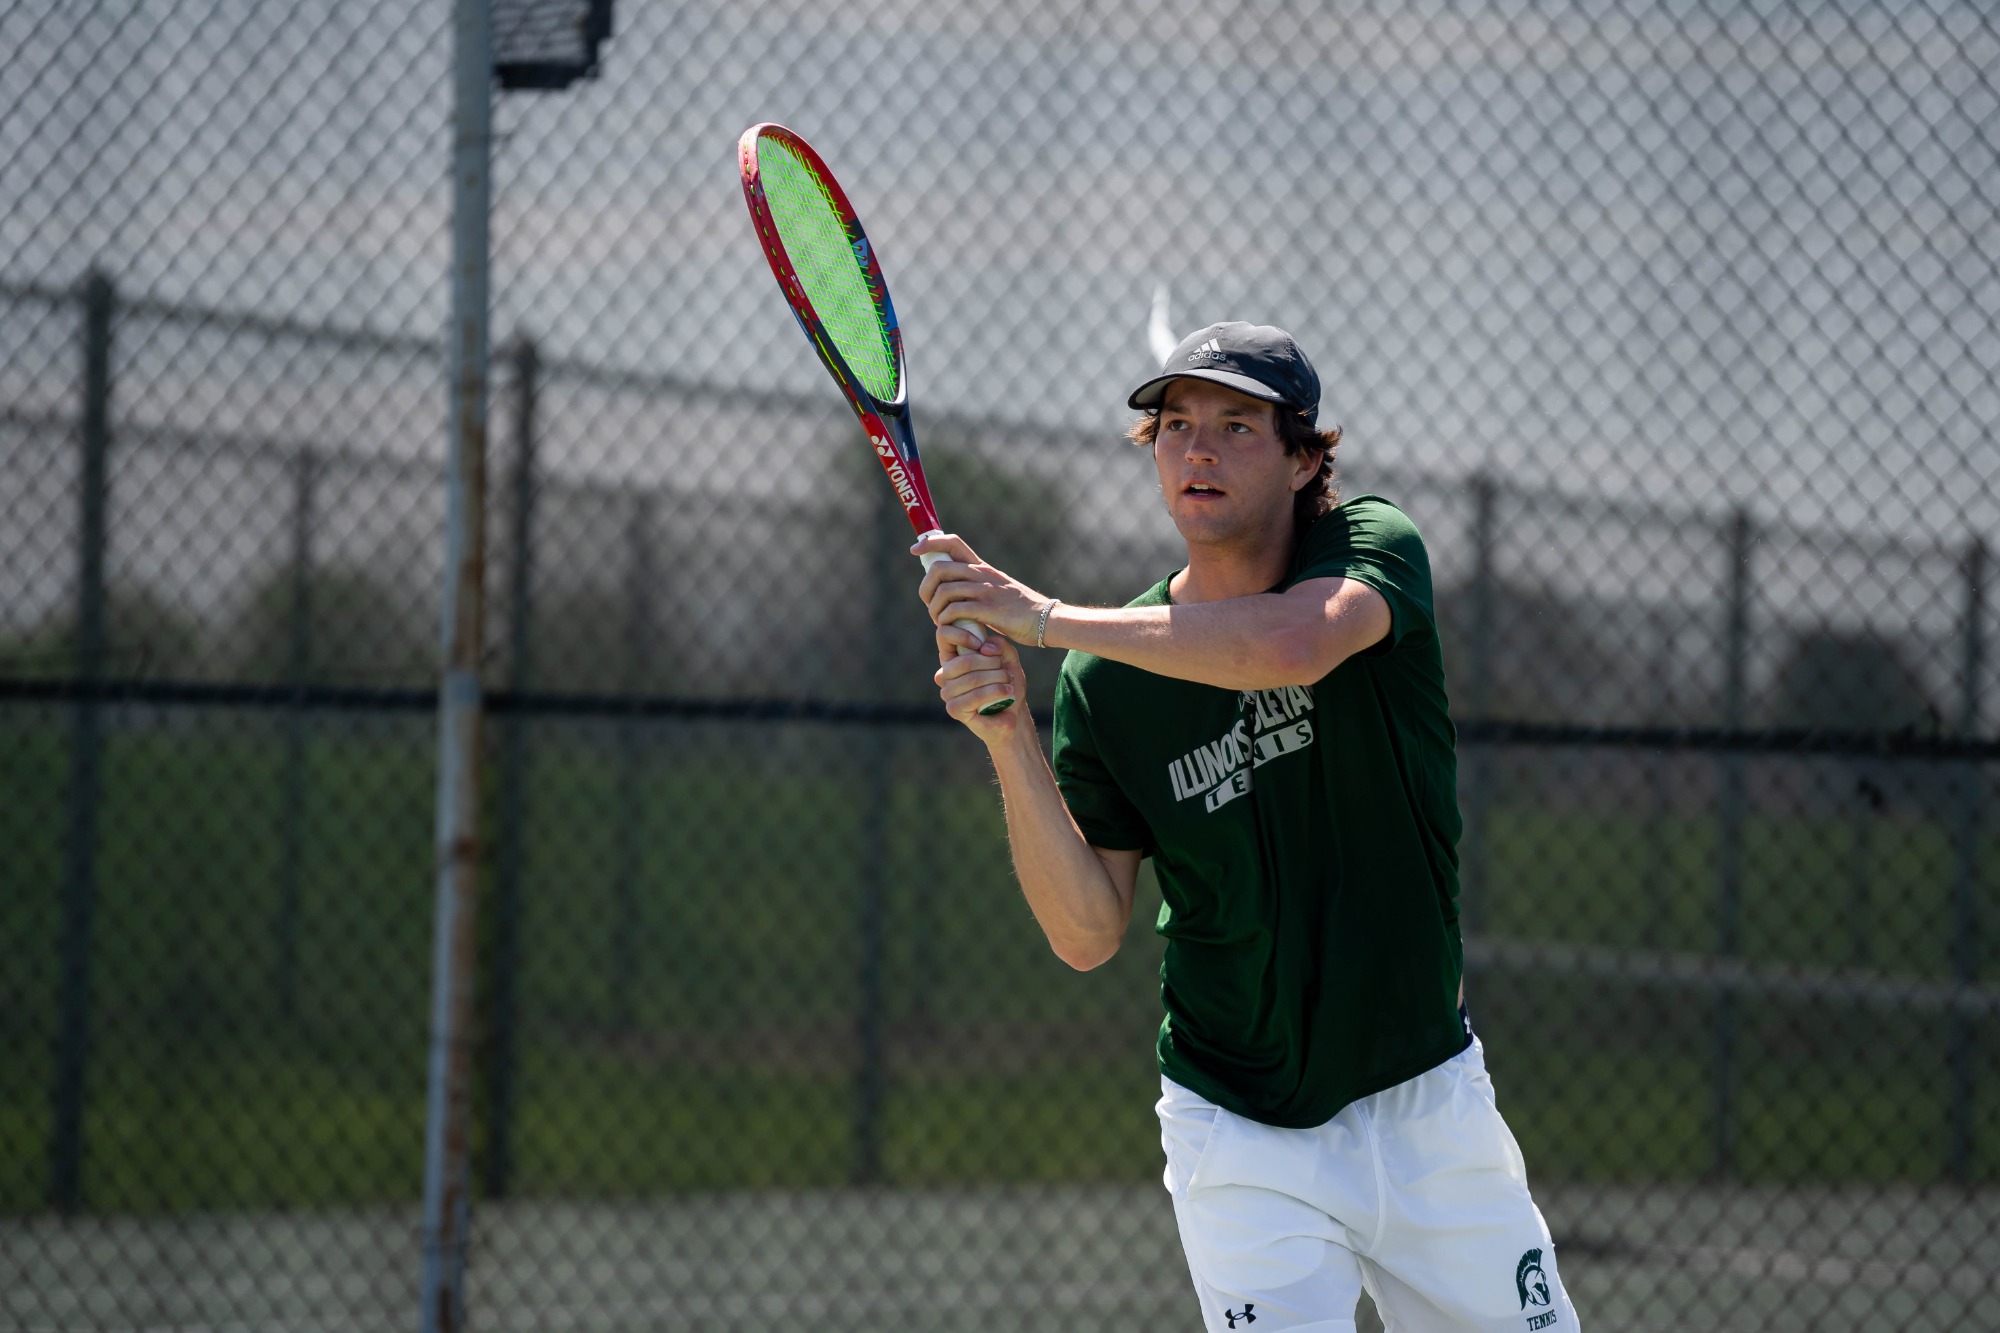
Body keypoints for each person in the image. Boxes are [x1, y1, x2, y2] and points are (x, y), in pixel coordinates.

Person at [913, 322, 1580, 1333]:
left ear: (1305, 457)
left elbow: (1292, 642)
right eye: (1175, 426)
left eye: (1235, 425)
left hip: (1423, 1101)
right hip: (1237, 1129)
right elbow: (1086, 931)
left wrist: (1041, 617)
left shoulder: (1371, 547)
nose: (1198, 450)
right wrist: (1006, 733)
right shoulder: (1107, 684)